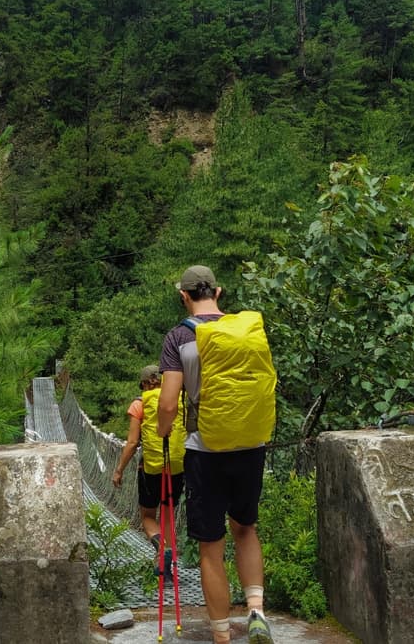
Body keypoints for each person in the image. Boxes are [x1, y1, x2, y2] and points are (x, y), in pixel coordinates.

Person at [156, 265, 274, 644]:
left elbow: (169, 402)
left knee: (211, 543)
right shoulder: (245, 330)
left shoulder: (179, 338)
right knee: (245, 528)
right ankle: (256, 610)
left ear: (184, 296)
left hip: (205, 449)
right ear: (218, 292)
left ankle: (222, 634)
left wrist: (160, 431)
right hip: (251, 444)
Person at [111, 364, 186, 576]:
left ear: (144, 383)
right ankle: (168, 567)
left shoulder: (140, 404)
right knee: (169, 514)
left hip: (151, 468)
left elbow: (133, 442)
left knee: (148, 516)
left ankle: (161, 549)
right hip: (176, 466)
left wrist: (119, 470)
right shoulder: (177, 400)